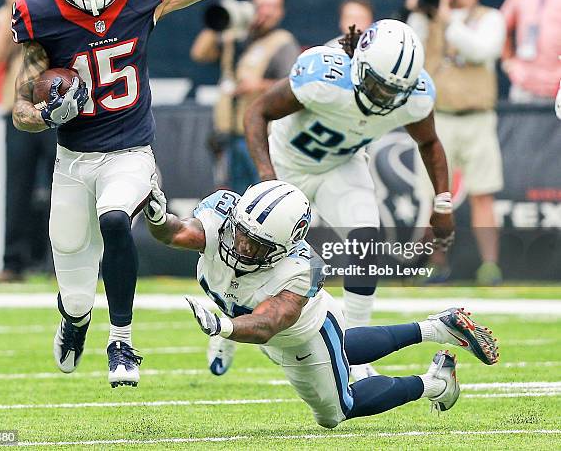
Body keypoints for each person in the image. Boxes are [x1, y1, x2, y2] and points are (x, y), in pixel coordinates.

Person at [10, 0, 319, 388]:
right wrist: (46, 113)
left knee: (116, 218)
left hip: (130, 150)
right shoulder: (41, 12)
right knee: (72, 274)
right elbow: (21, 109)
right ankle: (75, 321)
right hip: (73, 160)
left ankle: (122, 340)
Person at [144, 178, 498, 428]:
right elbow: (178, 232)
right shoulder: (222, 215)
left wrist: (225, 327)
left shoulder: (301, 269)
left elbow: (268, 324)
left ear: (283, 247)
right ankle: (435, 328)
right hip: (276, 330)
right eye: (240, 233)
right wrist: (159, 220)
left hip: (302, 333)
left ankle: (435, 383)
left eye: (257, 244)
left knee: (336, 411)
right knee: (343, 350)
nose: (241, 247)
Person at [243, 19, 455, 379]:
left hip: (340, 165)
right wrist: (268, 176)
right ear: (359, 68)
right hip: (287, 164)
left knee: (365, 243)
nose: (385, 99)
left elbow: (429, 142)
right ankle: (230, 332)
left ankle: (353, 353)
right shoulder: (322, 77)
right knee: (256, 259)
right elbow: (256, 112)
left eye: (394, 91)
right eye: (379, 85)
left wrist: (443, 204)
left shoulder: (416, 94)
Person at [406, 0, 506, 285]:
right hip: (440, 118)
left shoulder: (490, 18)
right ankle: (437, 263)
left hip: (477, 116)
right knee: (437, 194)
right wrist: (417, 11)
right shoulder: (432, 18)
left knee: (483, 192)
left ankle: (490, 266)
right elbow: (411, 51)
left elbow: (482, 51)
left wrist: (449, 21)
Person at [0, 0, 56, 284]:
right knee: (18, 188)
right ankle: (13, 261)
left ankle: (61, 263)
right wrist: (14, 9)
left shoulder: (58, 8)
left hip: (58, 109)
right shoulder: (12, 14)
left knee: (67, 187)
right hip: (19, 111)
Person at [191, 0, 301, 194]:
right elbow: (200, 54)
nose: (266, 12)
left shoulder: (282, 42)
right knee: (233, 196)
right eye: (261, 5)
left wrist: (258, 85)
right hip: (227, 134)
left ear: (281, 12)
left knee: (263, 194)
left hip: (259, 136)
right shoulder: (234, 35)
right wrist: (224, 19)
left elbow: (294, 84)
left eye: (273, 6)